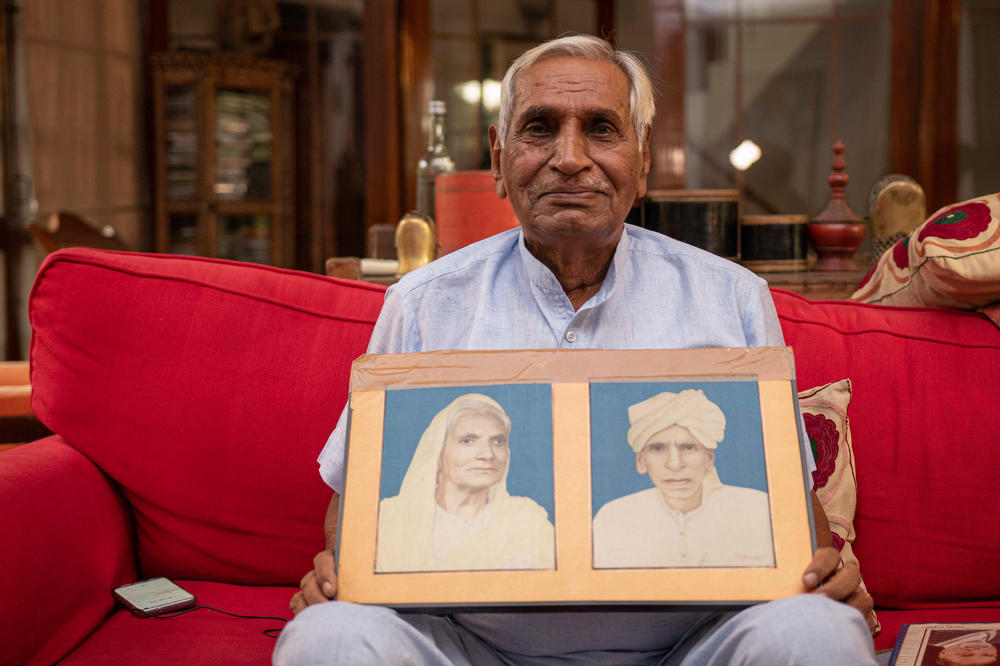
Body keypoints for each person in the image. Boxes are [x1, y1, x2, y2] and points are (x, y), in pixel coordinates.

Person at [276, 34, 877, 665]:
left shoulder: (730, 299)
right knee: (327, 639)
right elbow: (358, 508)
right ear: (498, 154)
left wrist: (823, 577)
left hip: (690, 649)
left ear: (642, 160)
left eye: (600, 129)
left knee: (819, 633)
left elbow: (790, 515)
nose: (569, 158)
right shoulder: (424, 303)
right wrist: (345, 574)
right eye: (539, 127)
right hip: (469, 650)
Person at [592, 389, 774, 569]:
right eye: (657, 448)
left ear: (709, 459)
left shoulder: (758, 509)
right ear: (641, 461)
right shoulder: (613, 518)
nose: (674, 464)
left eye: (688, 447)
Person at [376, 393, 554, 572]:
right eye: (468, 441)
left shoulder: (527, 521)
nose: (487, 454)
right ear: (437, 451)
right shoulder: (390, 519)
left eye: (498, 441)